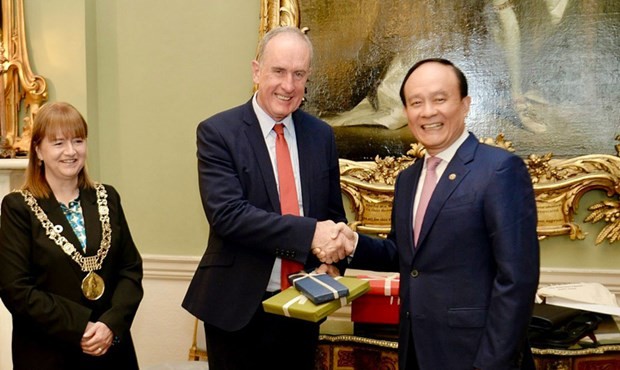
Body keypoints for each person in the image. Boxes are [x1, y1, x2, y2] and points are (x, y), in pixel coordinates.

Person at [346, 58, 540, 369]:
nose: (427, 112)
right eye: (415, 102)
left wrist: (490, 365)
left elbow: (517, 280)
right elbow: (405, 257)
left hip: (476, 356)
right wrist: (351, 244)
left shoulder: (499, 170)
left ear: (465, 105)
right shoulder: (408, 180)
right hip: (417, 351)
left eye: (440, 99)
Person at [182, 26, 354, 370]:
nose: (288, 86)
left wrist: (332, 262)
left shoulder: (321, 136)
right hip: (238, 309)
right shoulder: (218, 133)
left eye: (298, 74)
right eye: (278, 71)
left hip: (303, 305)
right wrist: (312, 234)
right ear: (256, 70)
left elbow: (333, 215)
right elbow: (229, 216)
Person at [0, 102, 143, 370]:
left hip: (110, 350)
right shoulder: (18, 207)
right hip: (47, 354)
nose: (71, 151)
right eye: (58, 143)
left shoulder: (107, 196)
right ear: (38, 150)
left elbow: (130, 270)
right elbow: (15, 289)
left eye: (78, 140)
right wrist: (82, 326)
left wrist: (109, 324)